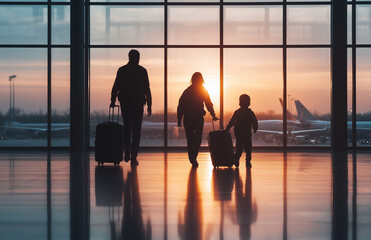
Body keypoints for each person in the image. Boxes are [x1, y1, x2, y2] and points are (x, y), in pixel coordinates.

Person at [110, 49, 152, 166]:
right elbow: (146, 88)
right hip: (138, 103)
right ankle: (133, 156)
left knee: (127, 128)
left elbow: (116, 86)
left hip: (126, 103)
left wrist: (113, 100)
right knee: (137, 129)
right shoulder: (142, 71)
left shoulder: (122, 70)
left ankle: (127, 151)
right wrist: (149, 103)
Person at [177, 72, 218, 167]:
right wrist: (213, 115)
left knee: (190, 139)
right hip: (198, 118)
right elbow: (208, 103)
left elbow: (181, 106)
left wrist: (179, 119)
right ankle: (193, 157)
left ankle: (192, 158)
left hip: (188, 118)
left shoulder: (187, 91)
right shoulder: (202, 90)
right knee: (197, 138)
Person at [225, 94, 258, 168]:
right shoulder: (250, 113)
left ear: (239, 103)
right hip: (247, 133)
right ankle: (248, 161)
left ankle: (237, 159)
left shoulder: (237, 112)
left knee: (239, 147)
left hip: (239, 133)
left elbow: (232, 121)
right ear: (249, 103)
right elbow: (254, 122)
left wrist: (227, 129)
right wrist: (255, 129)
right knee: (248, 148)